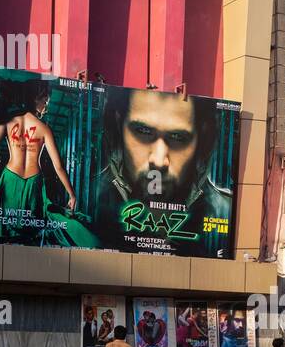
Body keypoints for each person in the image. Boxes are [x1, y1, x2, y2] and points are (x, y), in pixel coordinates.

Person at [0, 79, 97, 247]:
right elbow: (58, 166)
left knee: (2, 220)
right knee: (34, 223)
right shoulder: (44, 129)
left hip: (10, 179)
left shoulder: (7, 122)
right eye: (45, 101)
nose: (47, 106)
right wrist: (71, 194)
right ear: (35, 99)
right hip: (34, 182)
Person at [94, 89, 231, 255]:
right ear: (118, 125)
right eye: (143, 131)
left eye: (177, 137)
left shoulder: (225, 213)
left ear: (201, 138)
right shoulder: (88, 201)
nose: (159, 161)